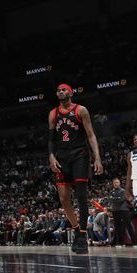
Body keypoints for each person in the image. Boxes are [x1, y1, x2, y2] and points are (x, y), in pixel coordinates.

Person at [47, 83, 103, 255]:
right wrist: (51, 156)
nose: (61, 92)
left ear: (71, 92)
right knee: (64, 199)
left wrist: (97, 158)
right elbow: (51, 139)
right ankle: (78, 229)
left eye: (64, 90)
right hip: (61, 157)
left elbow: (91, 135)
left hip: (80, 154)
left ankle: (83, 237)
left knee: (81, 195)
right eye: (58, 90)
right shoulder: (53, 113)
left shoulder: (81, 110)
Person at [108, 177, 134, 246]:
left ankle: (134, 242)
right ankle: (118, 243)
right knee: (117, 227)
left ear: (119, 183)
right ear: (113, 184)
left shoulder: (123, 191)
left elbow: (121, 200)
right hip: (115, 211)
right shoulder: (111, 191)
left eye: (117, 182)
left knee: (129, 226)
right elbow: (110, 200)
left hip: (124, 210)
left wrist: (114, 199)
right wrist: (116, 199)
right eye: (114, 183)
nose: (116, 184)